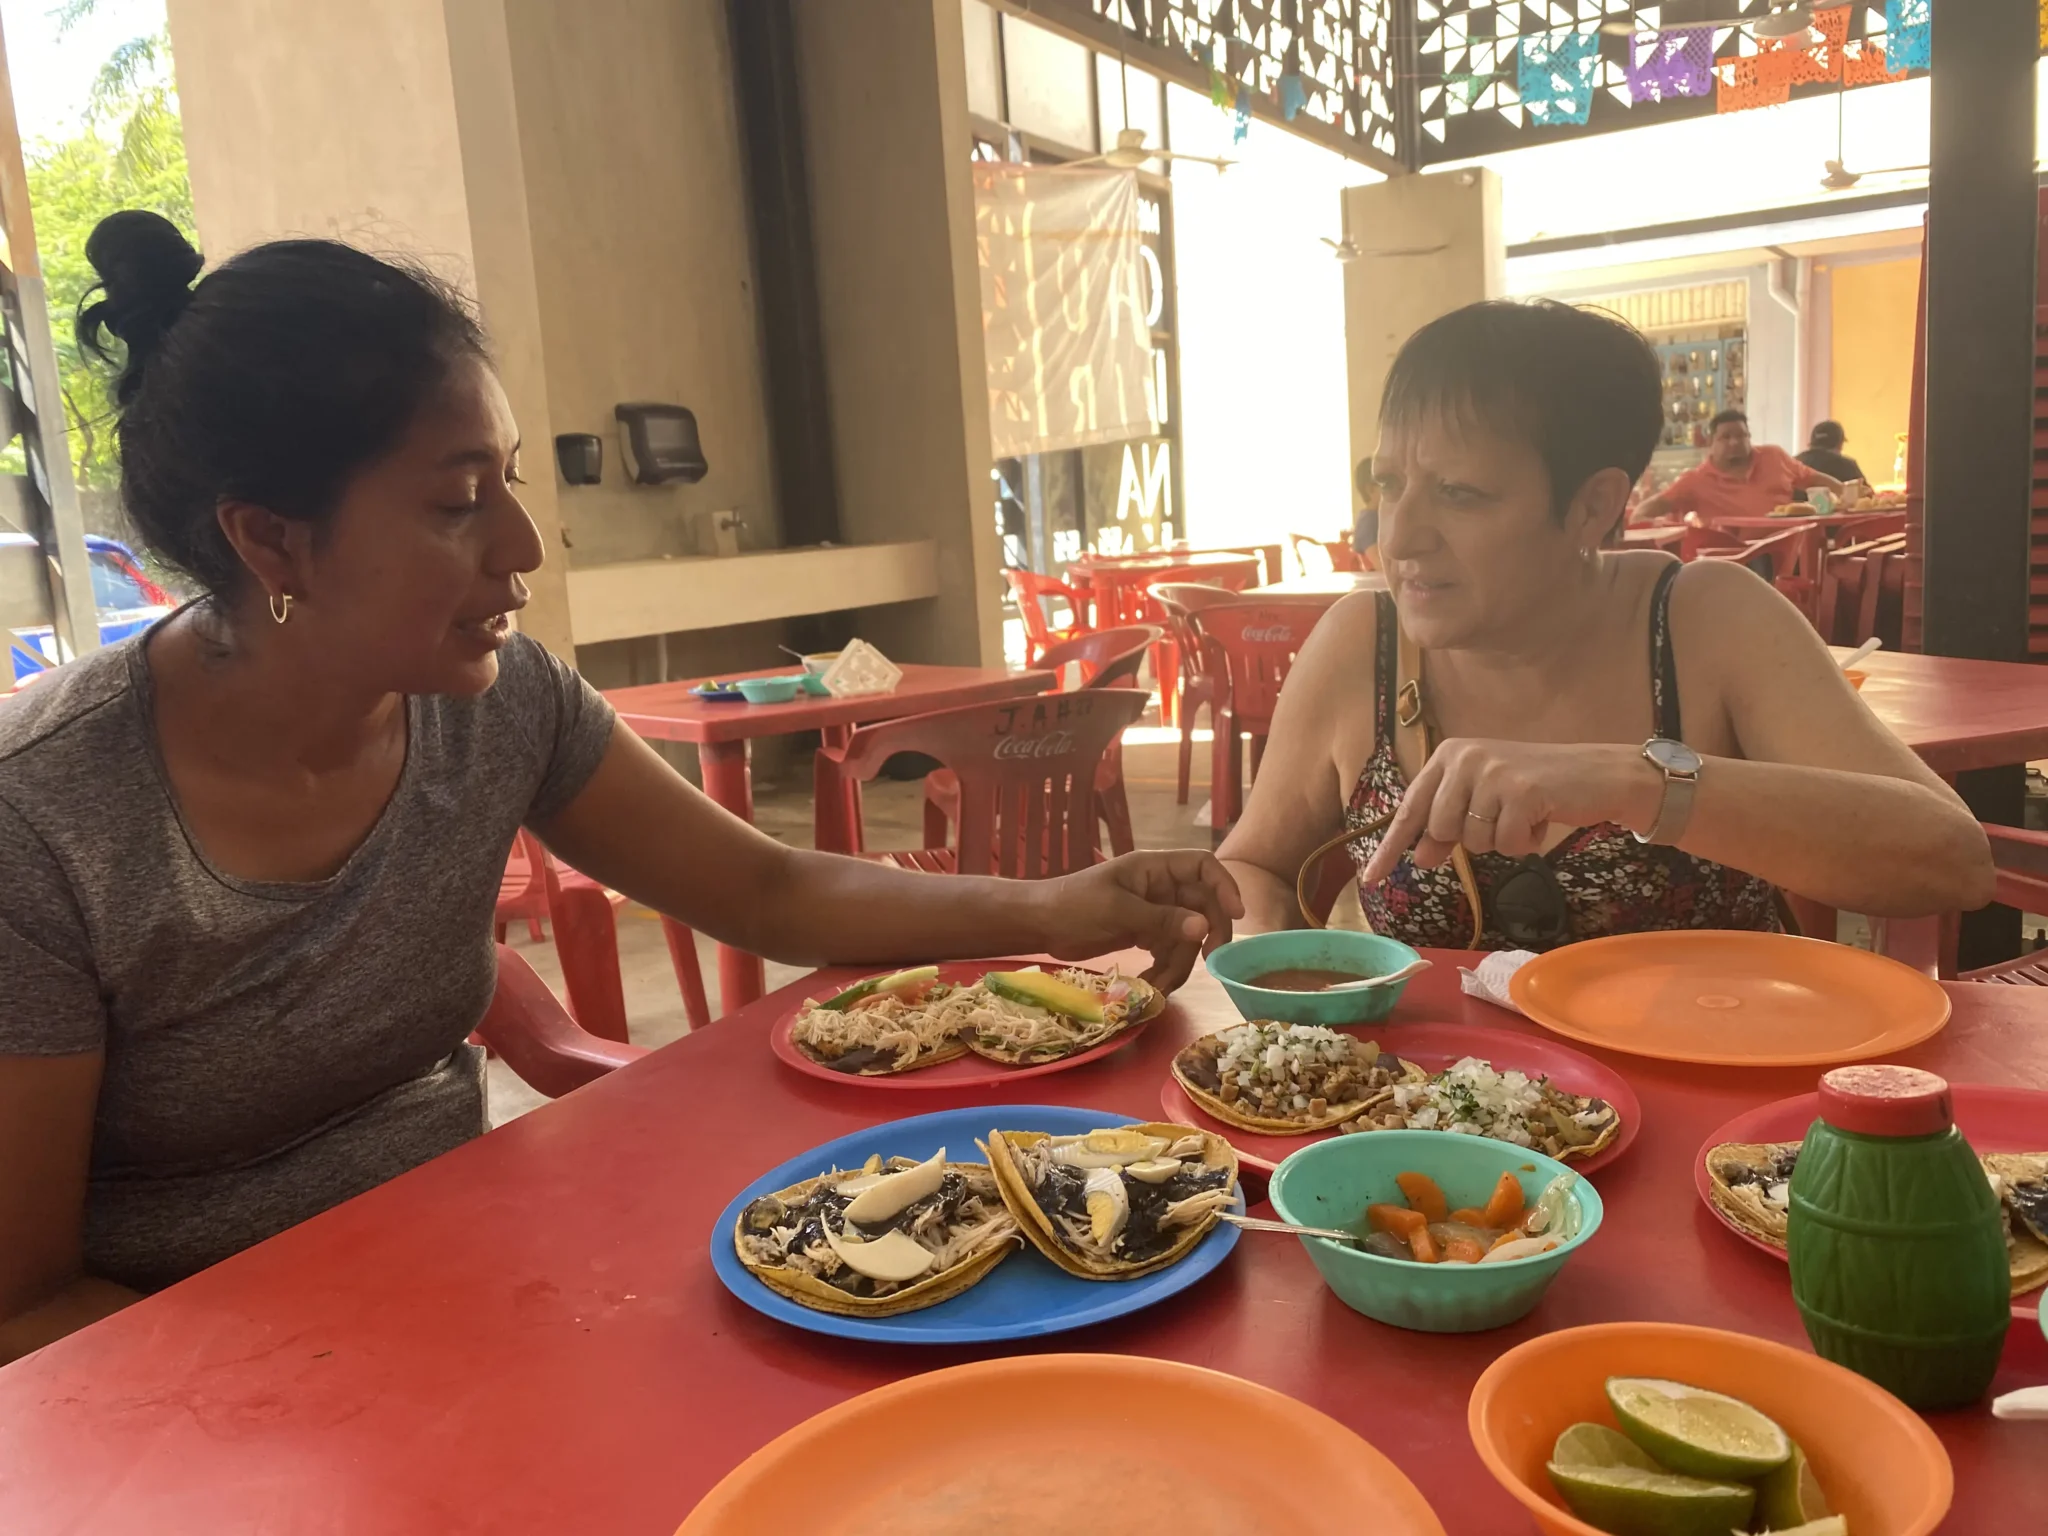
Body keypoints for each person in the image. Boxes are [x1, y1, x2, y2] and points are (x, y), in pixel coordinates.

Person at [0, 212, 1242, 1361]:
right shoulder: (43, 821)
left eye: (511, 481)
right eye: (457, 503)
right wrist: (346, 1383)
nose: (522, 548)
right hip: (203, 1383)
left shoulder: (497, 703)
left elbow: (768, 891)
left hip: (477, 1274)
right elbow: (28, 1305)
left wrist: (1059, 906)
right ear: (269, 539)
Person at [1217, 299, 1991, 948]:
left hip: (1708, 1078)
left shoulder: (1706, 621)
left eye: (1460, 494)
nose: (1400, 537)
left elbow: (1953, 860)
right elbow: (1252, 867)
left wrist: (1637, 782)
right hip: (1436, 1088)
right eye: (1389, 485)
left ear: (1593, 505)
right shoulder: (1363, 644)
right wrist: (1277, 975)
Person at [1633, 409, 1854, 526]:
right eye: (1726, 437)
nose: (1735, 442)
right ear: (1711, 443)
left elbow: (1816, 479)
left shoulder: (1774, 457)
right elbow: (1645, 511)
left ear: (1750, 437)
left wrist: (1848, 496)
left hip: (1788, 550)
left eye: (1741, 435)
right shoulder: (1695, 481)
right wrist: (1648, 524)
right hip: (1732, 563)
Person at [1797, 419, 1865, 485]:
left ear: (1811, 444)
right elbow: (1866, 491)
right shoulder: (1847, 466)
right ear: (1839, 444)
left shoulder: (1796, 462)